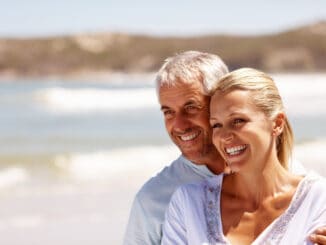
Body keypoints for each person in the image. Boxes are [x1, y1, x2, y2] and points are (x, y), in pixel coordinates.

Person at [123, 51, 326, 245]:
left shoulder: (304, 184)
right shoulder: (161, 198)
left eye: (191, 107)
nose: (179, 125)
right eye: (168, 112)